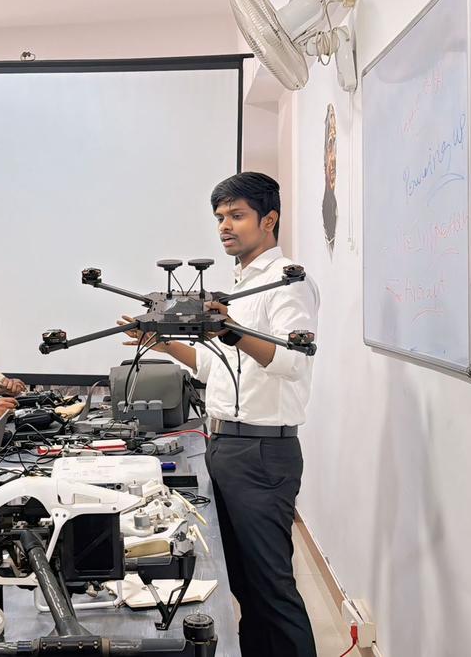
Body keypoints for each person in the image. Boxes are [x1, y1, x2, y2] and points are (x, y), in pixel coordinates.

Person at [120, 172, 320, 657]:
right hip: (226, 446)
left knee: (273, 589)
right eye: (219, 218)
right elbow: (212, 366)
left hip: (263, 450)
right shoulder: (240, 284)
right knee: (244, 588)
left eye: (236, 216)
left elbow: (291, 361)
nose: (225, 226)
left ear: (268, 220)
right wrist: (161, 341)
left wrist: (227, 329)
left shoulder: (286, 282)